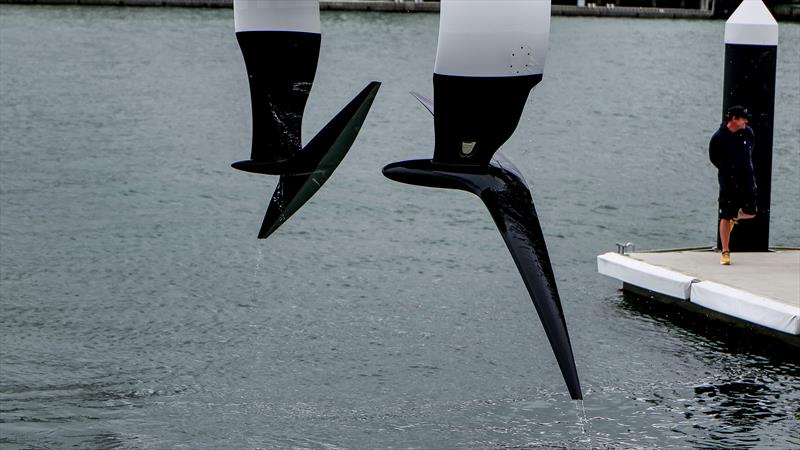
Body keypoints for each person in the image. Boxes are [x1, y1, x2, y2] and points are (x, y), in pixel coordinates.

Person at [709, 105, 757, 265]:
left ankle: (735, 216)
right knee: (725, 215)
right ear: (734, 119)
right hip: (729, 182)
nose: (746, 121)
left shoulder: (748, 132)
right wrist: (729, 170)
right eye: (743, 118)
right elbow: (714, 157)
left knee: (751, 212)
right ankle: (725, 251)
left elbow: (750, 151)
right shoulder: (719, 138)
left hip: (747, 179)